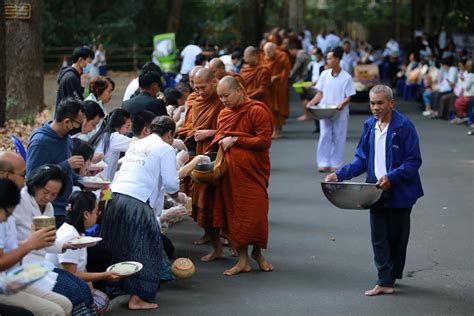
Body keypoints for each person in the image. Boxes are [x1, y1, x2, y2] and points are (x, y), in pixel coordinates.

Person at [325, 85, 423, 296]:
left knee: (397, 238)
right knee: (379, 236)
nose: (375, 107)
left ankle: (391, 275)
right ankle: (385, 280)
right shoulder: (369, 125)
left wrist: (392, 177)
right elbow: (362, 159)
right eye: (372, 103)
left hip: (400, 191)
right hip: (374, 190)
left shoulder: (404, 126)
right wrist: (339, 174)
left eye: (380, 103)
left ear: (391, 103)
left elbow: (413, 161)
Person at [101, 116, 180, 310]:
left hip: (114, 195)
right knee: (147, 246)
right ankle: (138, 297)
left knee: (118, 243)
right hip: (136, 199)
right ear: (169, 134)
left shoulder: (137, 143)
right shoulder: (166, 148)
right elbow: (170, 183)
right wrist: (179, 197)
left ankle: (114, 288)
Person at [207, 76, 274, 276]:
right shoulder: (224, 114)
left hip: (254, 171)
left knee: (257, 213)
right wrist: (224, 139)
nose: (224, 100)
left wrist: (237, 139)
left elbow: (264, 141)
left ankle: (258, 254)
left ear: (239, 90)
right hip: (232, 174)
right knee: (237, 214)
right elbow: (220, 136)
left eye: (226, 95)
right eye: (220, 97)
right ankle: (243, 259)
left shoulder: (256, 110)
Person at [0, 177, 73, 316]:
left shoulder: (47, 207)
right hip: (12, 277)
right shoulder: (18, 201)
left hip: (16, 274)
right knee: (56, 310)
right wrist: (29, 244)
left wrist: (35, 243)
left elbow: (46, 243)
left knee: (66, 303)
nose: (25, 179)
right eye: (21, 174)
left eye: (54, 194)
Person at [46, 191, 122, 315]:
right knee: (100, 303)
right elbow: (70, 274)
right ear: (86, 214)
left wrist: (90, 290)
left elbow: (82, 266)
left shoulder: (76, 231)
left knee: (102, 299)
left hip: (70, 282)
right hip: (59, 285)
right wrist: (105, 275)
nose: (97, 216)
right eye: (96, 212)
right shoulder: (71, 236)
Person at [184, 68, 225, 257]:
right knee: (201, 199)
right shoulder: (196, 101)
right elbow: (191, 125)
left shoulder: (222, 100)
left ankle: (230, 242)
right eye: (195, 86)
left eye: (202, 87)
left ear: (214, 82)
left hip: (220, 155)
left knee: (221, 199)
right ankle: (211, 239)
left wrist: (210, 133)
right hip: (200, 153)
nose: (199, 91)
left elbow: (231, 129)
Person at [27, 98, 86, 227]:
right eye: (78, 124)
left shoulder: (67, 140)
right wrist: (66, 164)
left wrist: (84, 181)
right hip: (49, 206)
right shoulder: (40, 141)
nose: (80, 128)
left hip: (66, 203)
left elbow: (67, 174)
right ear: (67, 122)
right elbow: (31, 176)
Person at [307, 46, 356, 172]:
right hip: (325, 110)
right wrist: (311, 103)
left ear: (337, 59)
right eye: (327, 58)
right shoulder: (324, 74)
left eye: (330, 58)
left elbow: (349, 96)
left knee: (338, 137)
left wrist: (342, 104)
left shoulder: (346, 77)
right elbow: (320, 93)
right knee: (324, 135)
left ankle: (336, 163)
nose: (327, 61)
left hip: (340, 111)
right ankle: (323, 162)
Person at [90, 108, 132, 181]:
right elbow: (137, 145)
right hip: (101, 182)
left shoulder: (104, 135)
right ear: (117, 126)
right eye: (127, 126)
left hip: (98, 179)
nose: (128, 130)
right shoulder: (114, 137)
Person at [263, 42, 291, 138]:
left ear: (274, 50)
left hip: (279, 86)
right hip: (269, 87)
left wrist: (277, 77)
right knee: (271, 108)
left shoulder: (282, 56)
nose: (267, 54)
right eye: (265, 52)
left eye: (269, 52)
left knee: (278, 107)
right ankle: (274, 129)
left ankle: (279, 129)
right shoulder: (264, 58)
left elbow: (287, 70)